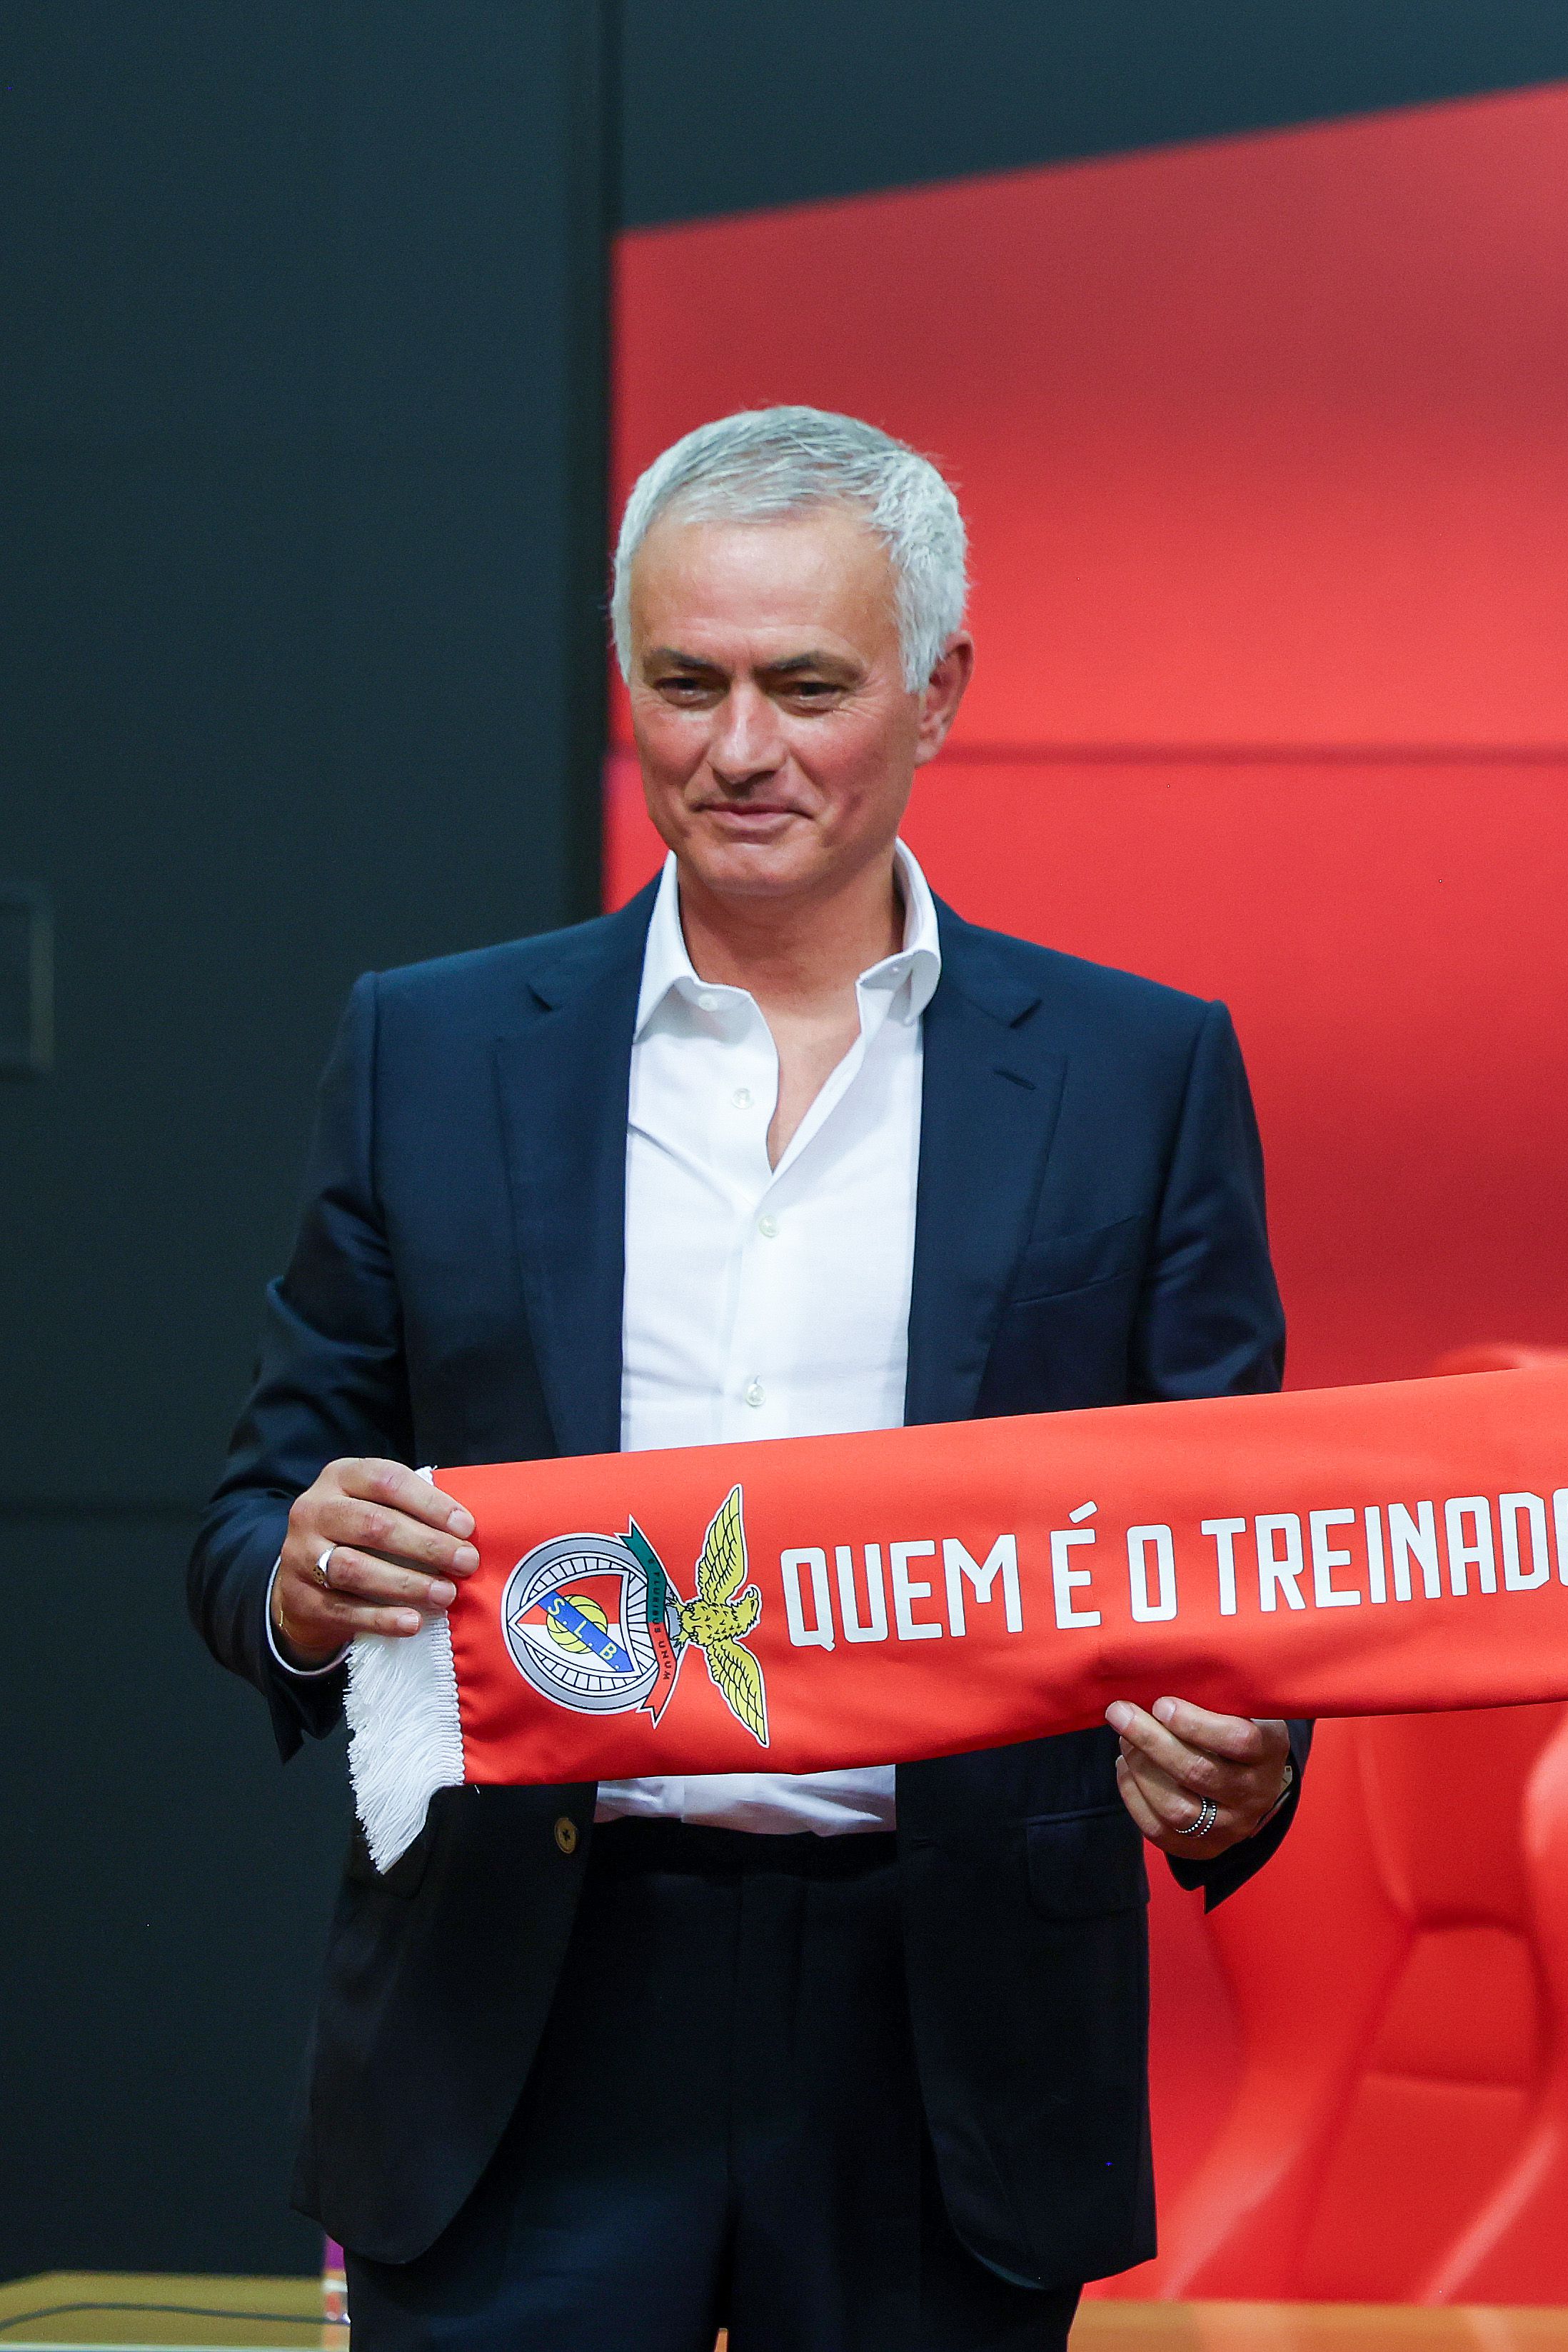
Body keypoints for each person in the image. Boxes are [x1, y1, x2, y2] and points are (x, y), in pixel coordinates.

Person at [189, 407, 1301, 2350]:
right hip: (520, 2008)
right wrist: (294, 1583)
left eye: (806, 686)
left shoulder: (1138, 1079)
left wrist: (1237, 1768)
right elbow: (249, 1521)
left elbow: (1237, 1578)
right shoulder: (427, 1053)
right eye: (684, 684)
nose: (738, 749)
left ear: (937, 691)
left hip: (943, 2023)